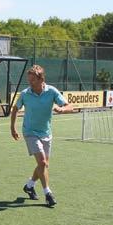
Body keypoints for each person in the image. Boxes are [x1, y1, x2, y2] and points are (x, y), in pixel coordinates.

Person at [10, 65, 73, 206]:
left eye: (33, 80)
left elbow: (70, 106)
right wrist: (12, 128)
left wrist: (62, 109)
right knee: (43, 162)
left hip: (46, 132)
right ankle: (48, 194)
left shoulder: (52, 91)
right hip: (30, 132)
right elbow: (15, 109)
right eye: (29, 80)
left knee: (43, 165)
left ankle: (29, 185)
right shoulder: (25, 93)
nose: (30, 83)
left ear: (41, 79)